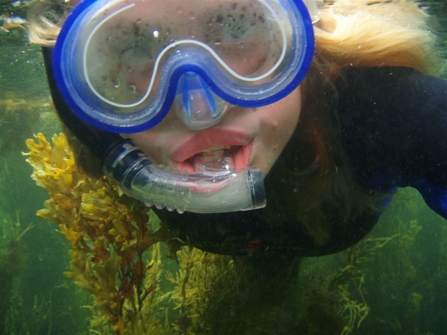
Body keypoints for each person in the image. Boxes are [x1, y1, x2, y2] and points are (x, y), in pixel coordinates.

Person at [27, 0, 446, 259]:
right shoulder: (104, 133)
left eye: (236, 27)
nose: (200, 110)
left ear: (295, 34)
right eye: (136, 46)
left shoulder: (379, 107)